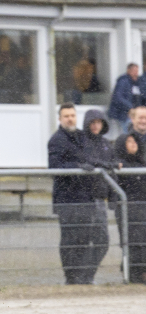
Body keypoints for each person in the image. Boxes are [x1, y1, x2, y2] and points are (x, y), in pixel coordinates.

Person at [48, 103, 99, 284]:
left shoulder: (83, 137)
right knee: (70, 238)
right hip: (67, 198)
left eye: (72, 115)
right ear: (60, 119)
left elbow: (90, 158)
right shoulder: (56, 140)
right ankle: (71, 276)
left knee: (85, 237)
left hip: (85, 196)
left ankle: (83, 276)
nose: (70, 118)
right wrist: (77, 167)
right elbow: (55, 167)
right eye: (66, 116)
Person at [82, 109, 118, 281]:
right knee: (84, 240)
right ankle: (80, 277)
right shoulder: (82, 141)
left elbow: (111, 171)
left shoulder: (106, 144)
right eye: (93, 122)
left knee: (102, 241)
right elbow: (87, 161)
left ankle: (88, 276)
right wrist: (103, 165)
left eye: (99, 122)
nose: (96, 126)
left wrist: (113, 197)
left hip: (100, 200)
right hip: (85, 198)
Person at [114, 133, 146, 283]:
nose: (133, 144)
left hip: (142, 209)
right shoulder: (118, 165)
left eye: (135, 141)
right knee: (133, 244)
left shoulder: (142, 164)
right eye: (128, 141)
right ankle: (132, 275)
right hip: (128, 211)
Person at [109, 63, 142, 132]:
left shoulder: (136, 83)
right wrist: (130, 107)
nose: (136, 73)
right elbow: (118, 97)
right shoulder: (123, 81)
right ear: (128, 70)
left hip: (133, 113)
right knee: (128, 132)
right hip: (123, 113)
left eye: (137, 71)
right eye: (134, 71)